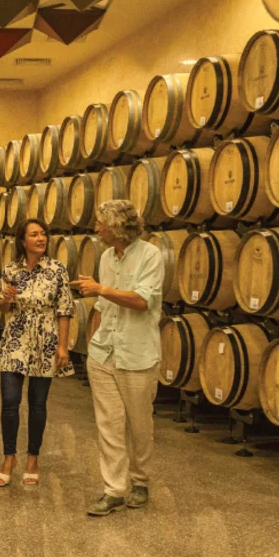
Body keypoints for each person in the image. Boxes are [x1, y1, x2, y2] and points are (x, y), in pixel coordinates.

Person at [71, 200, 164, 516]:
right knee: (108, 425)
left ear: (117, 228)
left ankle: (140, 481)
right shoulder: (107, 257)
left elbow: (141, 301)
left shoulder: (150, 255)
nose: (96, 229)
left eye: (100, 224)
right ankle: (113, 490)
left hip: (138, 354)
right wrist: (94, 338)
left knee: (139, 425)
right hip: (104, 353)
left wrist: (100, 288)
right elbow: (102, 303)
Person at [0, 218, 74, 487]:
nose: (41, 239)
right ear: (22, 241)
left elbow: (64, 310)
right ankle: (8, 457)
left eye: (43, 234)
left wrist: (62, 346)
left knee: (38, 404)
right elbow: (5, 310)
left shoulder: (57, 269)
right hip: (16, 337)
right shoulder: (10, 270)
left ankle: (32, 458)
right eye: (34, 235)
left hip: (46, 339)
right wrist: (4, 300)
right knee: (10, 401)